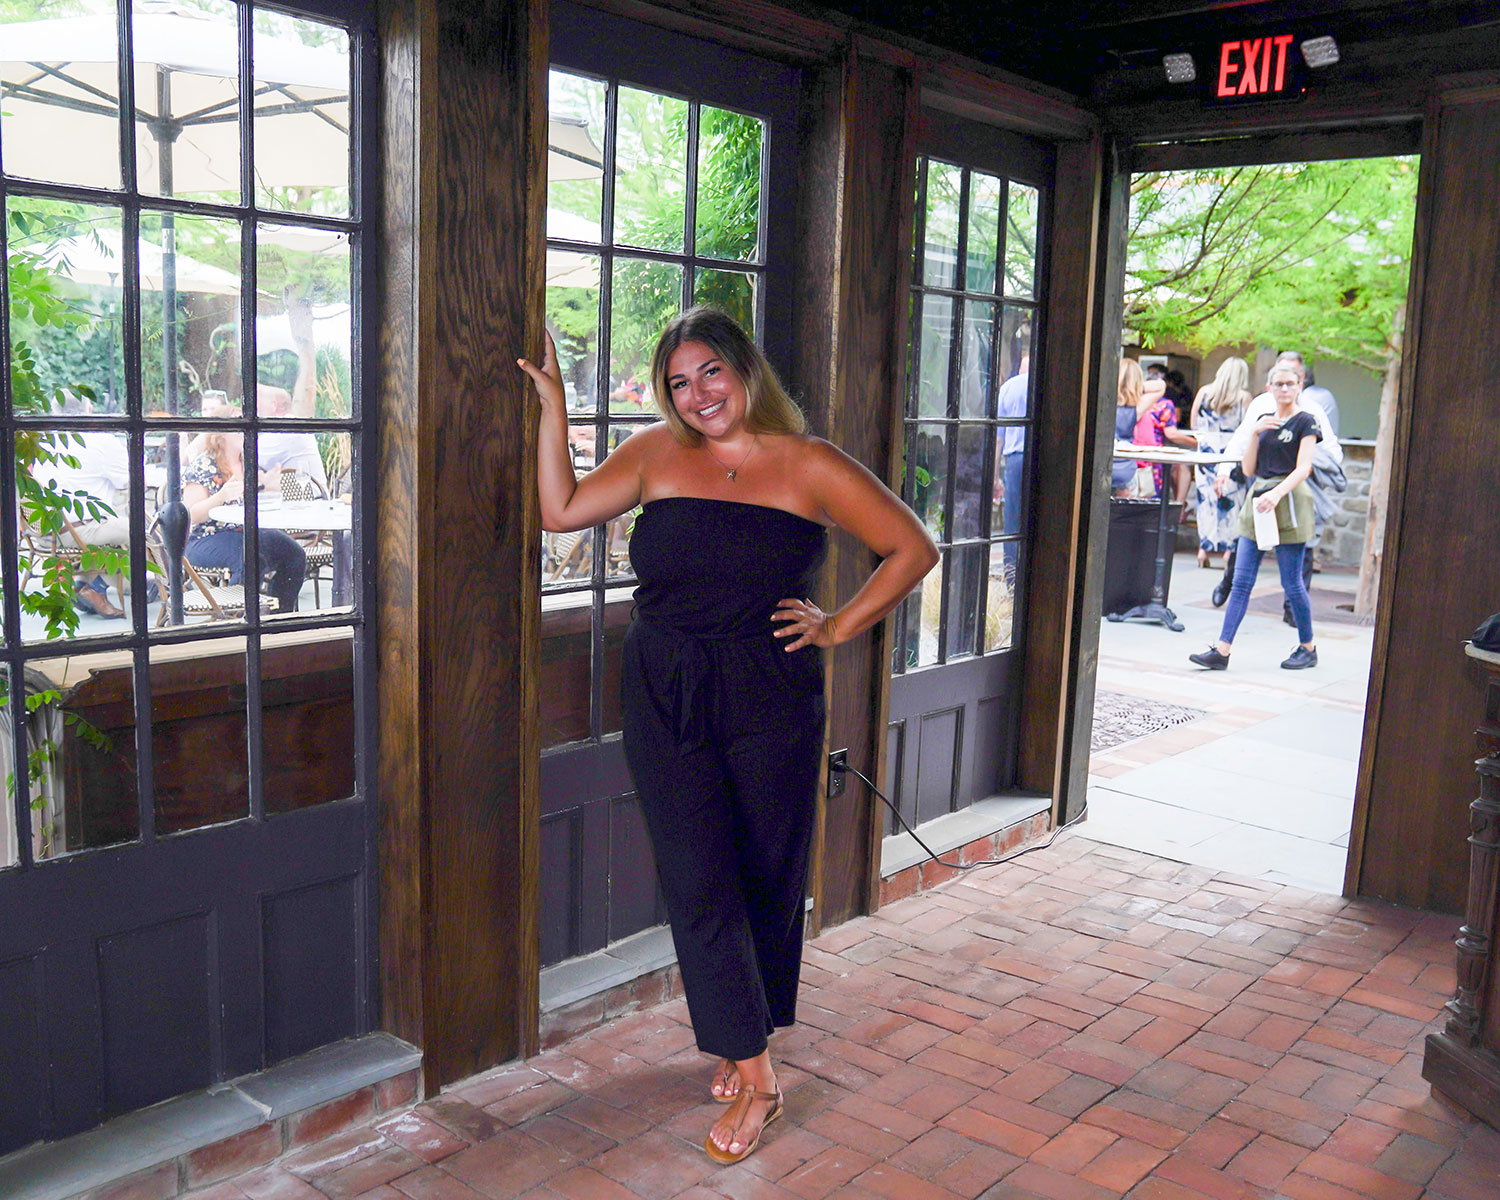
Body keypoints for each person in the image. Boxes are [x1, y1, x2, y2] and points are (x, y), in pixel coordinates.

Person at [518, 306, 937, 1166]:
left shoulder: (809, 463)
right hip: (665, 684)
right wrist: (555, 407)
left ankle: (747, 1033)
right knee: (697, 876)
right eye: (678, 382)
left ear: (745, 370)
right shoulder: (653, 454)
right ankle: (759, 1076)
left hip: (770, 689)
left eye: (710, 371)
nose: (698, 394)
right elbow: (560, 511)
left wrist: (837, 624)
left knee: (766, 871)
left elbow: (912, 547)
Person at [1189, 361, 1320, 672]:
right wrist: (1255, 434)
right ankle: (1222, 650)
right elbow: (1248, 469)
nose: (1284, 389)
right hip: (1258, 499)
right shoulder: (1263, 421)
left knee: (1292, 582)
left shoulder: (1306, 422)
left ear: (1299, 386)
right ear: (1269, 388)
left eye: (1290, 383)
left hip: (1288, 499)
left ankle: (1308, 647)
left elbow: (1304, 468)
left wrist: (1277, 494)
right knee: (1241, 580)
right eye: (1279, 384)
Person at [182, 428, 307, 613]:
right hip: (206, 538)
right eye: (239, 430)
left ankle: (278, 616)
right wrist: (221, 496)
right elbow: (191, 515)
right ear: (221, 435)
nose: (246, 432)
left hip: (245, 532)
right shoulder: (203, 465)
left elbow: (259, 498)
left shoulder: (248, 463)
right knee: (251, 557)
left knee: (294, 554)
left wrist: (269, 486)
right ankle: (240, 618)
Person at [40, 391, 130, 617]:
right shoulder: (100, 440)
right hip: (79, 531)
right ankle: (97, 588)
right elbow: (129, 480)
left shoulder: (44, 441)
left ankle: (82, 584)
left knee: (114, 527)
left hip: (46, 532)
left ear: (54, 412)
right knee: (142, 533)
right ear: (89, 410)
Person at [1188, 357, 1251, 568]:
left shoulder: (1204, 393)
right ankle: (1228, 553)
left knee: (1206, 502)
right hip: (1231, 455)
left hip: (1206, 455)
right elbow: (1247, 429)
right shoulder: (1243, 398)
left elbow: (1194, 423)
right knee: (1233, 503)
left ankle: (1203, 550)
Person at [1127, 358, 1192, 497]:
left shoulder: (1128, 402)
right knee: (1151, 492)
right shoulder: (1165, 404)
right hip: (1153, 453)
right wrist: (1195, 442)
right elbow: (1172, 433)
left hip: (1129, 452)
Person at [995, 354, 1028, 577]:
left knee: (1013, 523)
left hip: (1015, 460)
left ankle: (1011, 579)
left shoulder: (1009, 387)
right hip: (1043, 458)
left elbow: (999, 438)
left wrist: (994, 475)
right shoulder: (1048, 387)